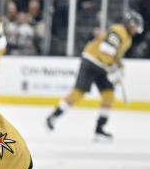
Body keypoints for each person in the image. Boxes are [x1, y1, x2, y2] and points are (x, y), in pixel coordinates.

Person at [45, 9, 144, 140]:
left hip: (103, 66)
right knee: (78, 92)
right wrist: (113, 69)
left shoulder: (128, 39)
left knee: (109, 95)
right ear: (130, 23)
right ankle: (53, 116)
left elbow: (114, 55)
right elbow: (106, 50)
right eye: (135, 26)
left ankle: (99, 128)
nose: (136, 29)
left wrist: (118, 65)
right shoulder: (118, 31)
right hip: (92, 61)